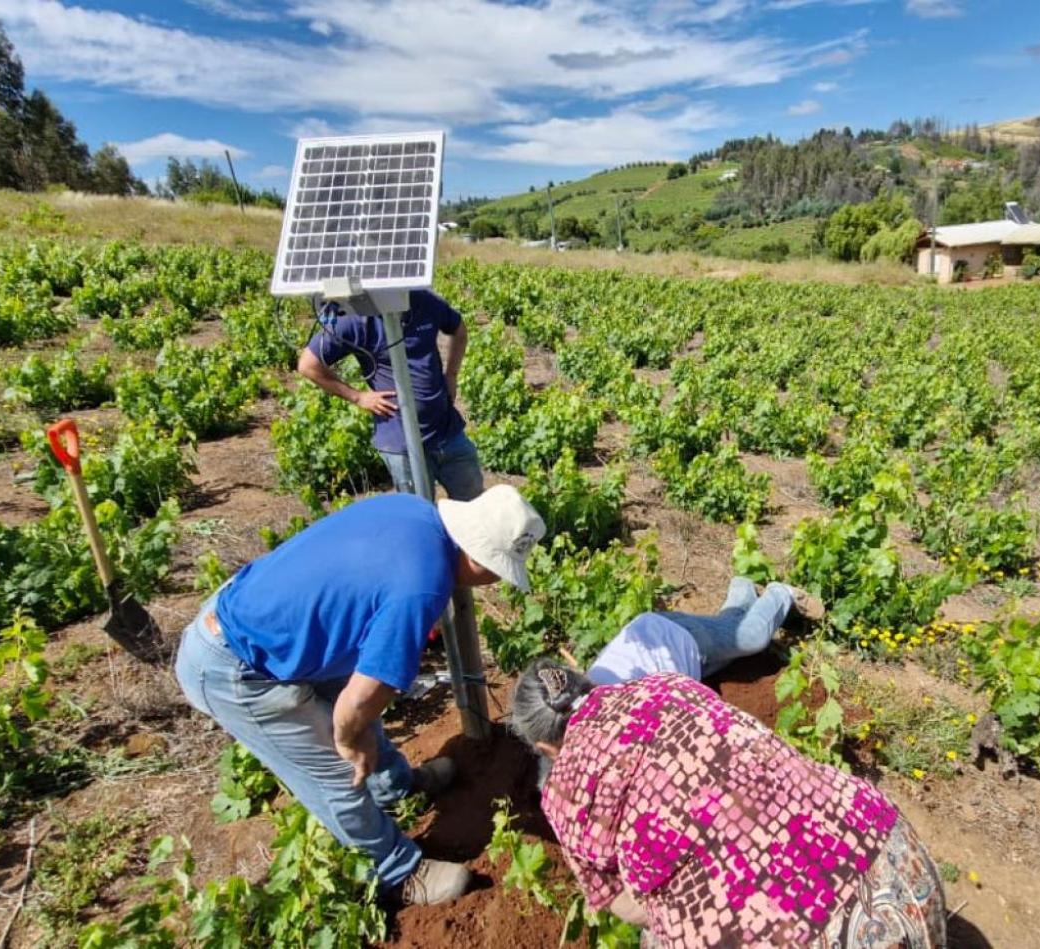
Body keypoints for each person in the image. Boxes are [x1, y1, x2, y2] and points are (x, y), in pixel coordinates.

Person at [176, 486, 545, 906]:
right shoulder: (421, 589)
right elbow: (358, 702)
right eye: (500, 570)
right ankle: (397, 872)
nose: (496, 581)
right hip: (236, 667)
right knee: (336, 771)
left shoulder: (412, 511)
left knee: (357, 705)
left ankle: (396, 788)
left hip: (264, 618)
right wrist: (352, 740)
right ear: (478, 559)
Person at [512, 666, 948, 949]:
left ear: (544, 746)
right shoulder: (666, 685)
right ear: (588, 685)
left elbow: (627, 906)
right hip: (900, 872)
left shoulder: (563, 798)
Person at [297, 290, 480, 500]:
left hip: (447, 432)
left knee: (475, 504)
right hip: (400, 442)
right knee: (419, 516)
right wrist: (358, 396)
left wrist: (452, 375)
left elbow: (459, 329)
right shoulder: (356, 318)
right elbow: (308, 365)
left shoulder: (424, 301)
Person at [586, 578, 797, 685]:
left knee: (752, 638)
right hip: (672, 659)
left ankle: (782, 592)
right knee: (729, 649)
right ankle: (742, 587)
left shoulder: (615, 705)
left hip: (672, 637)